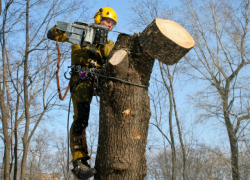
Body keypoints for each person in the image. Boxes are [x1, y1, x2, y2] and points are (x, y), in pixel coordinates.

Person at [47, 7, 117, 180]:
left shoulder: (109, 44)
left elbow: (113, 59)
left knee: (116, 112)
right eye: (107, 21)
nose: (109, 25)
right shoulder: (81, 34)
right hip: (83, 78)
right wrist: (70, 28)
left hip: (101, 80)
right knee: (81, 118)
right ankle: (79, 164)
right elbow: (52, 34)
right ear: (98, 18)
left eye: (112, 24)